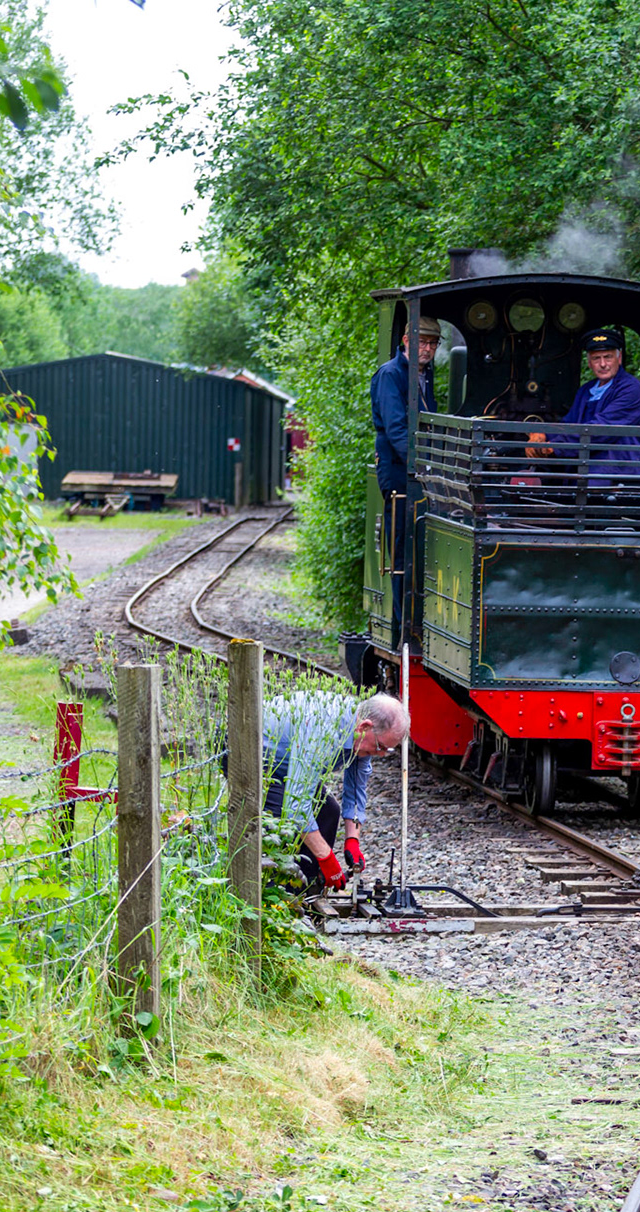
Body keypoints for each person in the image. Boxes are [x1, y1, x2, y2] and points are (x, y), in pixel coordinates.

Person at [260, 688, 410, 893]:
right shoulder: (323, 730)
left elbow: (356, 789)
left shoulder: (360, 735)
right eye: (381, 747)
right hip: (257, 760)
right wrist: (326, 858)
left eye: (388, 750)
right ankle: (274, 897)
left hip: (288, 767)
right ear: (365, 726)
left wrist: (352, 840)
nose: (382, 755)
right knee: (283, 823)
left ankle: (307, 893)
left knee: (328, 812)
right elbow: (296, 807)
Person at [369, 315, 440, 643]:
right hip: (401, 471)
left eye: (432, 343)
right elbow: (397, 430)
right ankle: (402, 628)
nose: (427, 349)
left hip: (419, 470)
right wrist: (424, 465)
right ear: (407, 340)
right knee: (402, 547)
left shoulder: (425, 375)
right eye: (422, 342)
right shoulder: (391, 375)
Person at [533, 328, 640, 483]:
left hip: (617, 471)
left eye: (608, 357)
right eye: (596, 358)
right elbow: (569, 424)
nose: (602, 364)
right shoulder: (586, 390)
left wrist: (556, 446)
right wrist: (543, 435)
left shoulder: (631, 388)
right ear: (589, 363)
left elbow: (602, 428)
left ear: (619, 358)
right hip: (585, 468)